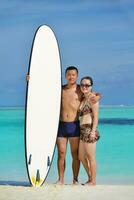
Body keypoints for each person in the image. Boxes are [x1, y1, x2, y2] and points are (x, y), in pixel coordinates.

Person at [56, 66, 101, 185]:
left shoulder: (80, 90)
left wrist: (98, 96)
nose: (71, 76)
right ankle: (60, 180)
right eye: (68, 74)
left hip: (74, 125)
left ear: (77, 76)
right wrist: (30, 80)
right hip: (61, 125)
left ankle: (75, 180)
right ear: (65, 75)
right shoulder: (59, 89)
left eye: (73, 74)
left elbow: (94, 94)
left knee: (75, 155)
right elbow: (43, 92)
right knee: (61, 153)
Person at [78, 76, 100, 186]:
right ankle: (90, 178)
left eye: (87, 85)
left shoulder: (93, 98)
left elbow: (96, 117)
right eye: (82, 85)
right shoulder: (83, 97)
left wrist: (93, 131)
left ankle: (93, 181)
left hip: (89, 129)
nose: (84, 87)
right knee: (81, 157)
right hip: (81, 131)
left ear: (91, 86)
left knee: (91, 157)